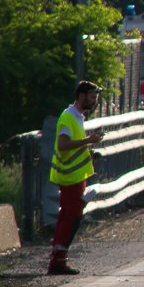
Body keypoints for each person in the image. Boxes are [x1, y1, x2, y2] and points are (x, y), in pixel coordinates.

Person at [48, 80, 106, 275]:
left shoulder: (77, 117)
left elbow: (73, 147)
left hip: (74, 176)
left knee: (67, 216)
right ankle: (58, 261)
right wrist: (88, 140)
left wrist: (89, 153)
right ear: (81, 96)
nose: (94, 102)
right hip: (70, 177)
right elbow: (63, 144)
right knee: (72, 217)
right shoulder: (68, 118)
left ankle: (58, 257)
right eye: (92, 97)